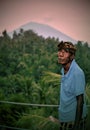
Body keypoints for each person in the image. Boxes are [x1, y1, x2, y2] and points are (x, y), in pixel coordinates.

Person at [57, 41, 87, 130]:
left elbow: (80, 101)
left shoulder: (77, 73)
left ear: (72, 56)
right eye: (60, 51)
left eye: (65, 52)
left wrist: (76, 126)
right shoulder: (64, 69)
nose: (60, 54)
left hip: (74, 121)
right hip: (64, 118)